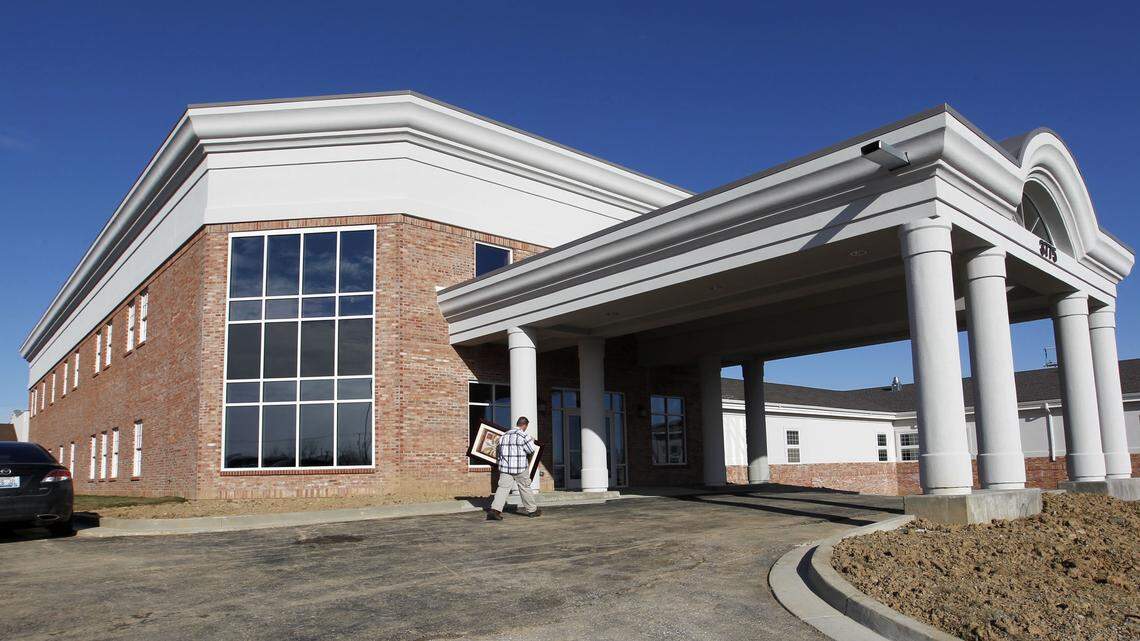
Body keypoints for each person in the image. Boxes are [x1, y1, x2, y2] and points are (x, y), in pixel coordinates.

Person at [487, 416, 542, 520]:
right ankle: (532, 510)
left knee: (502, 489)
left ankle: (495, 511)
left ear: (517, 424)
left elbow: (498, 451)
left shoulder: (504, 435)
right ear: (524, 425)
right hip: (520, 468)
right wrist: (532, 441)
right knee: (525, 488)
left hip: (505, 468)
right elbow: (531, 450)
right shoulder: (524, 436)